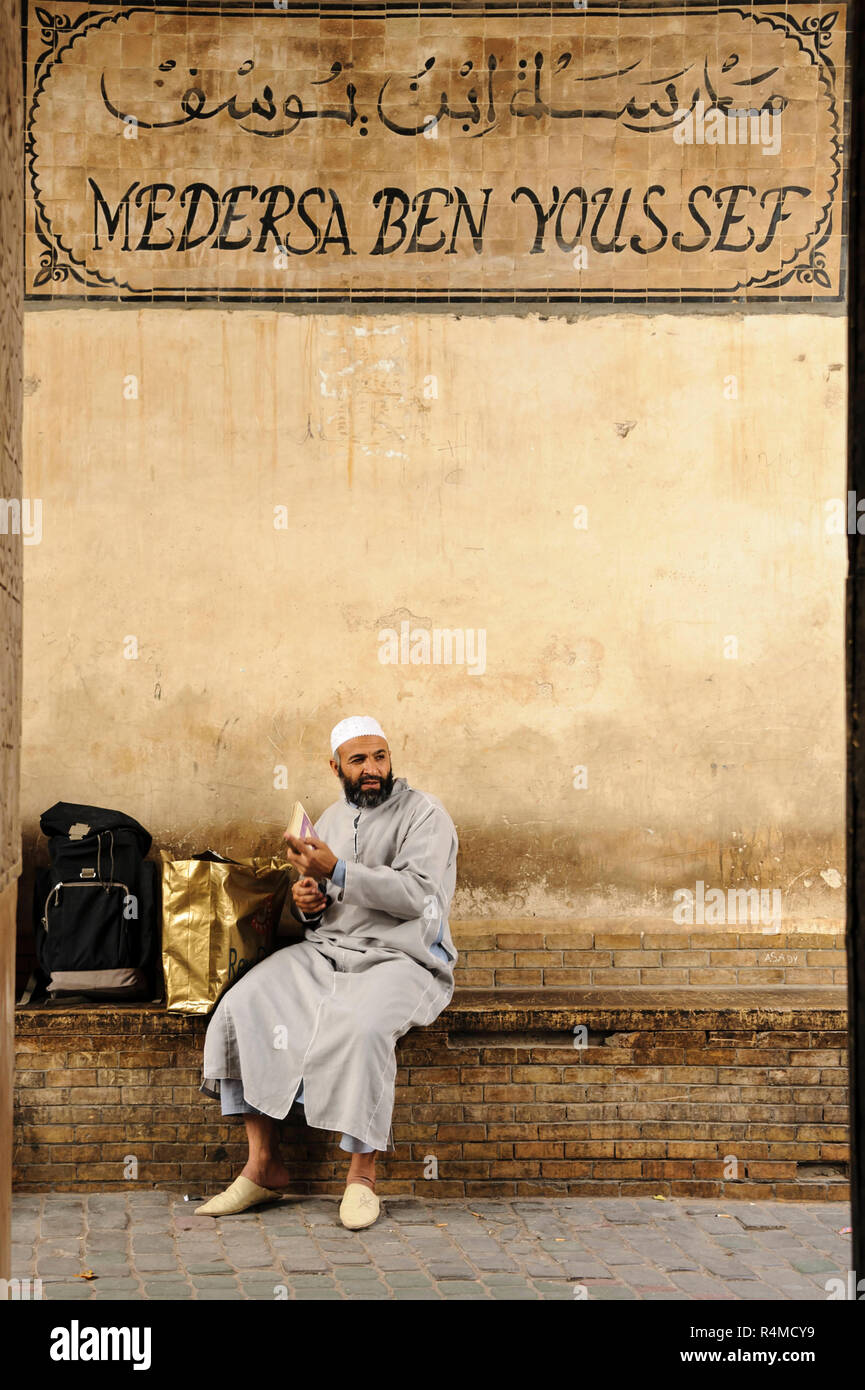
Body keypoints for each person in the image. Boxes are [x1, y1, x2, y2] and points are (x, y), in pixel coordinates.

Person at [196, 715, 458, 1229]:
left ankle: (361, 1177)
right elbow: (317, 910)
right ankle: (263, 1164)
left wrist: (336, 870)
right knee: (241, 1005)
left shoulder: (426, 815)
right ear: (335, 765)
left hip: (400, 958)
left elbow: (419, 897)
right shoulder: (332, 819)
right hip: (327, 951)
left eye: (379, 756)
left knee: (362, 1029)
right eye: (358, 760)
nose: (372, 769)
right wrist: (308, 902)